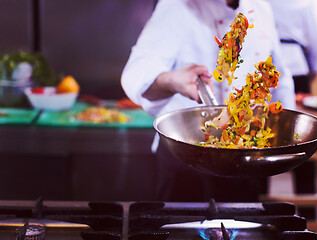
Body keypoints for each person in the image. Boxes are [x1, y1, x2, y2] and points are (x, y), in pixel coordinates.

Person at [121, 0, 296, 202]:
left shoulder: (260, 6)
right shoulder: (177, 5)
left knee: (245, 229)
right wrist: (172, 80)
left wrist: (286, 131)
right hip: (186, 159)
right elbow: (136, 73)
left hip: (247, 159)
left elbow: (280, 76)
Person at [267, 0, 317, 219]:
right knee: (303, 144)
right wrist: (313, 71)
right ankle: (308, 218)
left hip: (263, 70)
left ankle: (260, 215)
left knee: (261, 142)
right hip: (297, 69)